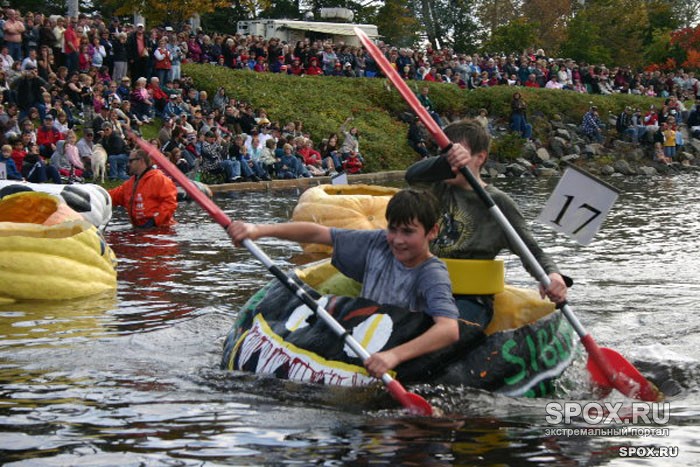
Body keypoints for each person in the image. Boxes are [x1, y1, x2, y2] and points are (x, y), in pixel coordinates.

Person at [226, 188, 459, 378]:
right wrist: (258, 230)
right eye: (393, 229)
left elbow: (448, 329)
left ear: (432, 232)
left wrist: (394, 356)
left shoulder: (431, 273)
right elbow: (318, 234)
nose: (398, 240)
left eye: (408, 232)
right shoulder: (378, 242)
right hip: (361, 341)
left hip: (396, 348)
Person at [405, 119, 568, 330]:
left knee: (445, 331)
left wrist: (552, 275)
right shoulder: (436, 186)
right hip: (427, 287)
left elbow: (531, 250)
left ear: (480, 157)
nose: (450, 160)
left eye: (458, 153)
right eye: (445, 154)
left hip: (470, 297)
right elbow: (412, 176)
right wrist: (445, 161)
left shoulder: (498, 203)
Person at [108, 149, 178, 229]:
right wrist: (95, 193)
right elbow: (114, 195)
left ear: (140, 161)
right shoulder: (131, 183)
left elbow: (170, 203)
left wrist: (154, 221)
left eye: (131, 161)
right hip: (141, 229)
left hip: (161, 230)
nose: (128, 164)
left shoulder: (159, 179)